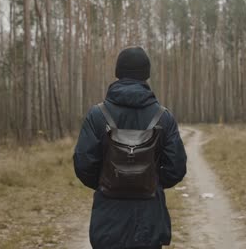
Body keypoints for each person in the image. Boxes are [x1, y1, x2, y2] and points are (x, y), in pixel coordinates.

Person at [73, 46, 187, 249]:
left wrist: (108, 181)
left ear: (118, 72)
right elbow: (176, 168)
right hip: (149, 222)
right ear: (146, 74)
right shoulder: (164, 116)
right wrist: (149, 181)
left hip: (107, 219)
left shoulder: (96, 115)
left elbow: (83, 165)